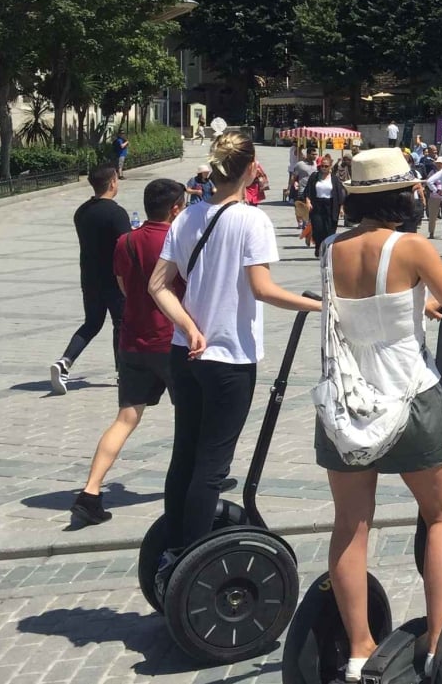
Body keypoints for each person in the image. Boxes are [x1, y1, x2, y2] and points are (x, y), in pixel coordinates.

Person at [319, 149, 442, 682]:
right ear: (402, 196)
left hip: (349, 400)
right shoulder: (413, 247)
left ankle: (359, 648)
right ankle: (439, 642)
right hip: (410, 396)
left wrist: (418, 306)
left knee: (350, 527)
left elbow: (365, 307)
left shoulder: (331, 248)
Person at [148, 131, 321, 594]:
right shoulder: (252, 220)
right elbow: (262, 289)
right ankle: (189, 562)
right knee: (212, 464)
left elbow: (157, 285)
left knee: (184, 452)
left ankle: (172, 552)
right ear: (250, 171)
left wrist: (187, 326)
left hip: (187, 354)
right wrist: (322, 307)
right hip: (229, 358)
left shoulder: (185, 219)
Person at [70, 178, 186, 524]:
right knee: (191, 417)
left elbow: (122, 285)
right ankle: (192, 484)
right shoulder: (178, 240)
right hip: (172, 341)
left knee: (126, 418)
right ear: (176, 208)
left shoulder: (127, 241)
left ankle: (90, 491)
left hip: (132, 340)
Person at [51, 166, 131, 394]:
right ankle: (122, 373)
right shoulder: (116, 213)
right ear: (113, 182)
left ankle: (64, 361)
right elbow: (124, 246)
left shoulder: (82, 211)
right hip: (114, 278)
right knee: (121, 323)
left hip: (89, 276)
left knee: (92, 323)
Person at [305, 156, 347, 259]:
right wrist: (308, 201)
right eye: (322, 166)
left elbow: (339, 194)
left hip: (331, 205)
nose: (323, 168)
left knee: (329, 229)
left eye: (326, 166)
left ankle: (327, 249)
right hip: (317, 205)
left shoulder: (334, 179)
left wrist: (341, 208)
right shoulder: (314, 177)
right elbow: (308, 190)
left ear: (330, 167)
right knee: (318, 228)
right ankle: (319, 247)